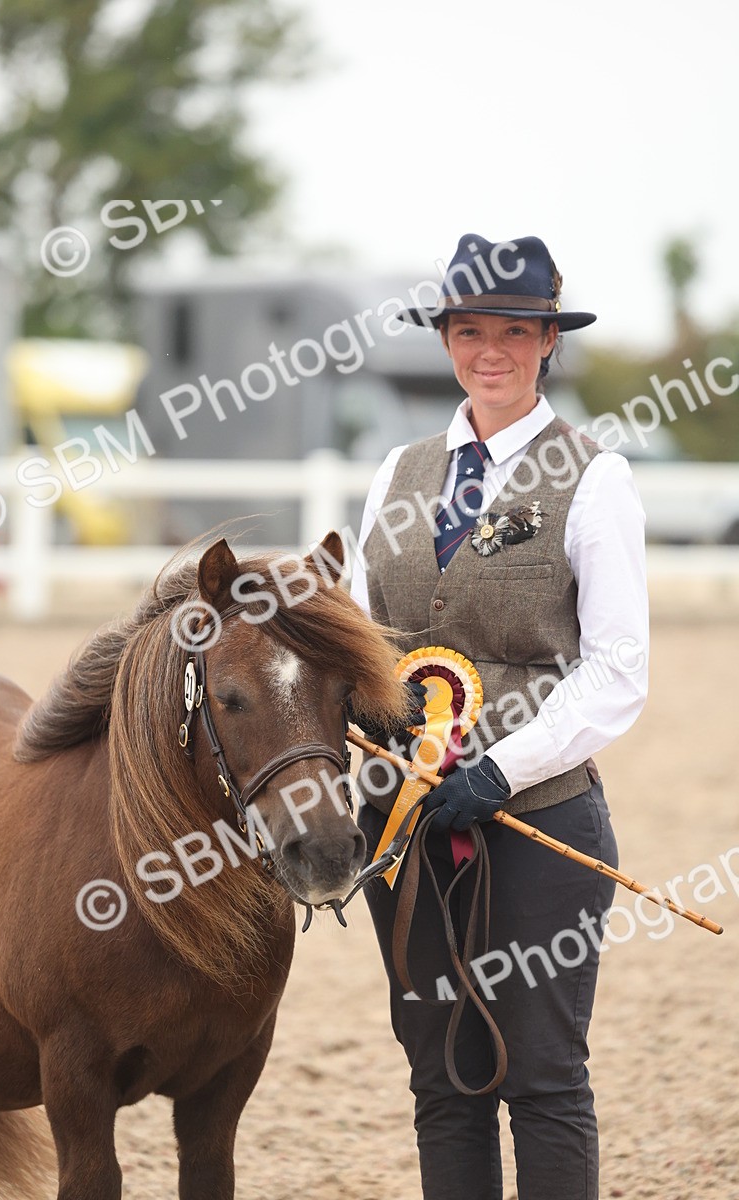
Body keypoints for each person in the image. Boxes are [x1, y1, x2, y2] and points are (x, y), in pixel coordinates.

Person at [349, 234, 649, 1200]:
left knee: (544, 1080)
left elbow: (617, 670)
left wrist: (499, 770)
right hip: (404, 818)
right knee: (443, 1083)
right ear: (446, 339)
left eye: (515, 332)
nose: (492, 351)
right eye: (471, 330)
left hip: (537, 819)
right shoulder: (397, 470)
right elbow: (361, 634)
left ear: (547, 343)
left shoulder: (594, 478)